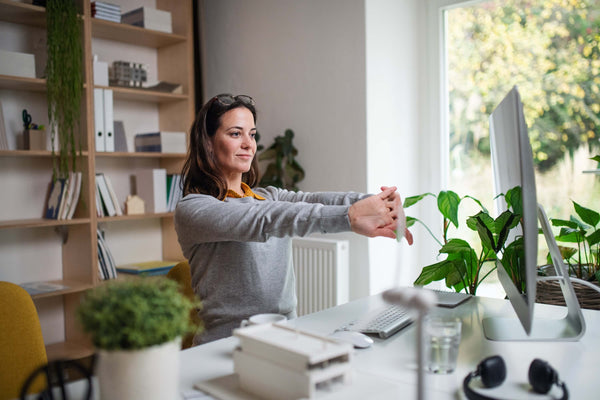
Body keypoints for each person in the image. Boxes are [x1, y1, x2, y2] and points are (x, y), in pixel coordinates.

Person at [175, 94, 413, 345]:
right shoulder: (194, 209)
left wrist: (379, 201)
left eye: (252, 134)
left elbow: (314, 200)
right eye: (236, 134)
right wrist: (350, 217)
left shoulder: (269, 195)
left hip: (285, 336)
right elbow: (264, 219)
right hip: (225, 344)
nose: (248, 144)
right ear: (208, 143)